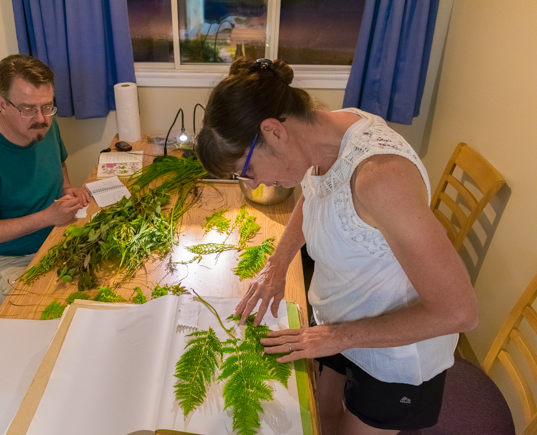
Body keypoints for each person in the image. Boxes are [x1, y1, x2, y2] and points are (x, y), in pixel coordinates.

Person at [195, 57, 477, 435]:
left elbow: (459, 312)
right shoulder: (324, 133)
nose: (251, 183)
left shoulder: (380, 178)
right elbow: (314, 196)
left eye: (245, 171)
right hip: (341, 322)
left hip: (394, 351)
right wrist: (277, 265)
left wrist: (334, 336)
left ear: (274, 132)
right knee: (319, 420)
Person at [0, 54, 91, 307]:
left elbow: (59, 162)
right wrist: (48, 217)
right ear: (3, 104)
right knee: (48, 309)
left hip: (53, 235)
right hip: (3, 258)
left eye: (47, 106)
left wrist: (66, 188)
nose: (40, 118)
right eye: (28, 109)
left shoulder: (45, 125)